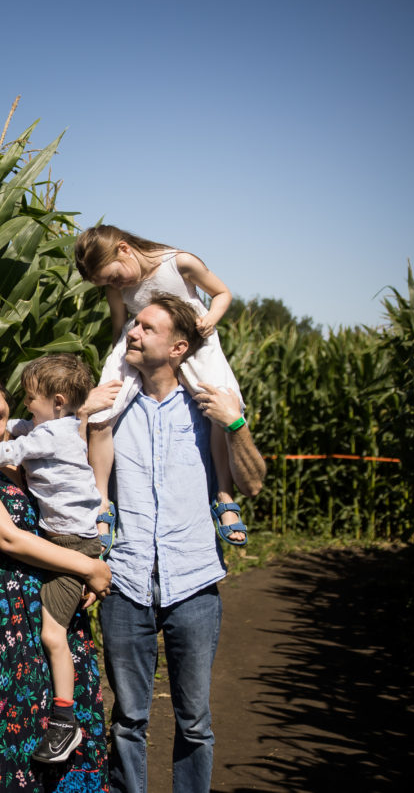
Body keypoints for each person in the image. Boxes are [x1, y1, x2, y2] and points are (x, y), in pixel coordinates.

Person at [97, 294, 266, 793]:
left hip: (193, 582)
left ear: (178, 347)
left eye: (147, 327)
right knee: (128, 721)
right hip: (125, 582)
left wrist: (235, 424)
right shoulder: (112, 407)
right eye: (133, 324)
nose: (133, 333)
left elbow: (253, 484)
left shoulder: (209, 410)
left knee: (194, 722)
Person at [0, 356, 114, 791]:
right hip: (9, 616)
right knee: (16, 739)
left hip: (55, 596)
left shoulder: (31, 438)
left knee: (65, 724)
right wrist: (89, 567)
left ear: (2, 388)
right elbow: (10, 540)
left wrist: (80, 572)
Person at [74, 224, 249, 548]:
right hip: (143, 339)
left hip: (194, 335)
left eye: (113, 277)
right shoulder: (117, 289)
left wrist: (212, 316)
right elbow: (118, 326)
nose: (114, 284)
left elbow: (223, 293)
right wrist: (116, 364)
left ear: (124, 249)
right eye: (107, 283)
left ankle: (224, 496)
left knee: (221, 407)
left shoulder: (179, 263)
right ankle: (101, 502)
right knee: (102, 413)